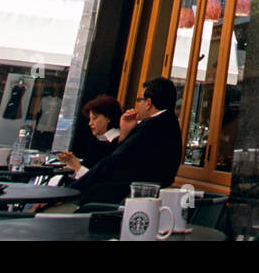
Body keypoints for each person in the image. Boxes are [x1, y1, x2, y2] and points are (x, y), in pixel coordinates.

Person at [42, 78, 181, 212]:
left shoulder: (152, 127)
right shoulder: (168, 125)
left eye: (139, 100)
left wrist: (70, 192)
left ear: (148, 103)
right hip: (136, 202)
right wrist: (125, 133)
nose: (137, 104)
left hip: (120, 204)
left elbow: (113, 164)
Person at [56, 95, 123, 175]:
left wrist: (77, 167)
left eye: (94, 118)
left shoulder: (117, 143)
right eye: (89, 119)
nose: (90, 123)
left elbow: (100, 179)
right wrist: (71, 164)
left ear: (108, 118)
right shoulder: (97, 140)